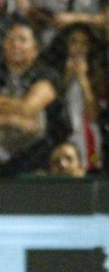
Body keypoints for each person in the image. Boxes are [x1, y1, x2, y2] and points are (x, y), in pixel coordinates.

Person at [0, 22, 64, 177]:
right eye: (10, 39)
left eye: (22, 40)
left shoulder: (47, 75)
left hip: (39, 156)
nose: (15, 44)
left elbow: (27, 109)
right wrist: (9, 120)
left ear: (35, 50)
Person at [40, 23, 107, 172]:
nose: (79, 47)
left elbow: (94, 115)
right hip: (60, 134)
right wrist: (68, 78)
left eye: (84, 43)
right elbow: (52, 105)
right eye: (74, 42)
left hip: (87, 137)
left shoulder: (96, 75)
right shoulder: (54, 73)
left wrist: (83, 79)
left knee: (91, 166)